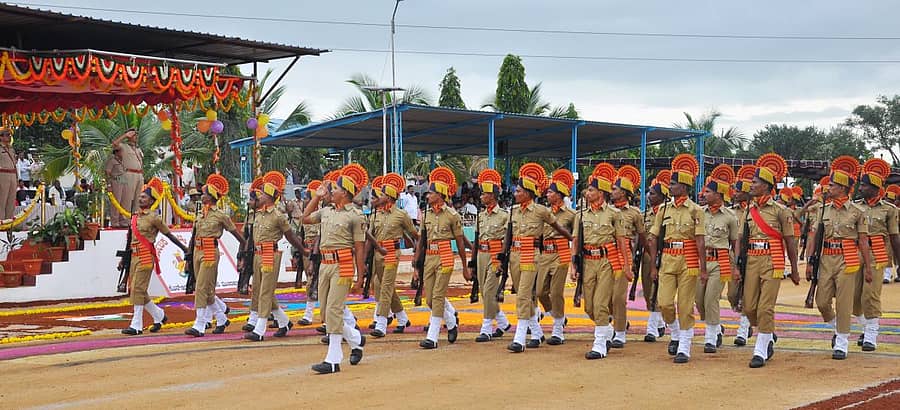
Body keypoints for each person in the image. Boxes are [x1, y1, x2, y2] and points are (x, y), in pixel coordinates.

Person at [302, 164, 368, 374]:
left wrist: (360, 277)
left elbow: (359, 248)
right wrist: (316, 197)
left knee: (333, 310)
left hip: (343, 265)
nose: (331, 192)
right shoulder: (326, 211)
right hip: (325, 265)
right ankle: (356, 339)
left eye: (335, 189)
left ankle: (333, 359)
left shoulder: (355, 215)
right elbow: (304, 218)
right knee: (325, 311)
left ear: (345, 193)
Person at [809, 156, 874, 360]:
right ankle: (838, 328)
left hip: (849, 259)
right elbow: (816, 238)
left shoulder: (857, 212)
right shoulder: (822, 210)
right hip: (826, 258)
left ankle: (842, 342)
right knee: (821, 302)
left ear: (844, 188)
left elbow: (863, 241)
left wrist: (869, 268)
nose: (829, 187)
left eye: (833, 185)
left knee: (844, 302)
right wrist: (811, 261)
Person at [646, 154, 707, 364]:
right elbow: (653, 237)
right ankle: (675, 332)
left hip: (688, 261)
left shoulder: (696, 210)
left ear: (683, 186)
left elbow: (700, 240)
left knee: (685, 305)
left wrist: (703, 268)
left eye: (672, 184)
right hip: (668, 260)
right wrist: (654, 263)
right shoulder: (663, 210)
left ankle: (684, 346)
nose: (669, 187)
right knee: (664, 303)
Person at [507, 163, 573, 353]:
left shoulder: (541, 211)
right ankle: (536, 332)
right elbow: (509, 236)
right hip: (516, 256)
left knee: (525, 295)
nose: (515, 193)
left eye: (518, 190)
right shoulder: (514, 211)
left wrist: (575, 245)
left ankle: (520, 338)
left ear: (528, 192)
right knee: (530, 294)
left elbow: (560, 229)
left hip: (534, 255)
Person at [572, 163, 629, 359]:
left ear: (601, 193)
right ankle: (606, 330)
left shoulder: (614, 214)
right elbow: (576, 240)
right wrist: (574, 265)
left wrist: (626, 266)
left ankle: (600, 345)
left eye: (591, 190)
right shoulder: (581, 214)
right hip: (588, 262)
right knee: (589, 307)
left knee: (600, 303)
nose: (587, 193)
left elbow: (621, 241)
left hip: (607, 261)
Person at [241, 171, 307, 342]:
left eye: (262, 193)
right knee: (261, 290)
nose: (259, 195)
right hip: (257, 254)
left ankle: (260, 329)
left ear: (269, 197)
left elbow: (290, 236)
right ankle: (284, 322)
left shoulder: (278, 216)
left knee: (265, 291)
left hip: (270, 254)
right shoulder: (258, 214)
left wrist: (302, 249)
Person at [120, 178, 189, 335]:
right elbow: (130, 239)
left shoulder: (154, 218)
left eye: (144, 197)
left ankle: (136, 324)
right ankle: (159, 315)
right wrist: (124, 259)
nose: (140, 198)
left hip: (145, 256)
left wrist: (184, 248)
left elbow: (169, 235)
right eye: (140, 196)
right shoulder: (134, 217)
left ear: (151, 201)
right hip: (134, 257)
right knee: (138, 290)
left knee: (138, 288)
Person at [414, 167, 471, 349]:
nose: (427, 196)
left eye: (430, 193)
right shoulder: (427, 214)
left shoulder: (452, 215)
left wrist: (464, 265)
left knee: (437, 296)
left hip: (445, 256)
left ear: (439, 195)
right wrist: (416, 263)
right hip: (430, 257)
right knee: (430, 299)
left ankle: (433, 337)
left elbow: (460, 242)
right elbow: (422, 239)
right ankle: (452, 321)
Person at [184, 174, 246, 337]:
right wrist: (189, 256)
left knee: (201, 288)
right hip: (197, 251)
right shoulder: (200, 213)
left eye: (204, 193)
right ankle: (221, 318)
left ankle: (200, 324)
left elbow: (237, 235)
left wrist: (244, 253)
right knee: (208, 289)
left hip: (210, 251)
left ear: (211, 197)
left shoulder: (220, 215)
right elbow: (194, 235)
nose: (200, 195)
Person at [853, 159, 900, 351]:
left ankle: (871, 335)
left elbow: (895, 237)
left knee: (870, 295)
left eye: (864, 185)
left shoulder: (890, 210)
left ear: (874, 188)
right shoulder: (854, 207)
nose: (860, 187)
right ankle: (866, 327)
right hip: (855, 253)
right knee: (854, 297)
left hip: (878, 253)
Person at [369, 173, 419, 337]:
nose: (379, 196)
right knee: (384, 286)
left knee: (385, 287)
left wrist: (416, 255)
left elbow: (414, 234)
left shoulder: (401, 214)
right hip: (378, 254)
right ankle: (403, 318)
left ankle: (381, 323)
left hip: (392, 253)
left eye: (382, 194)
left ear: (389, 197)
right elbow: (370, 236)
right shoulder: (375, 214)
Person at [697, 165, 739, 354]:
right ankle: (716, 327)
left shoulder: (730, 216)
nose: (704, 194)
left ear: (719, 194)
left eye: (708, 191)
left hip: (721, 260)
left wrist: (736, 266)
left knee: (711, 298)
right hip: (701, 261)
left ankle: (711, 338)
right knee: (699, 300)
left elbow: (735, 243)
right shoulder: (699, 213)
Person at [608, 165, 647, 349]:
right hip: (608, 255)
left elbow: (641, 235)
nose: (611, 191)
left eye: (615, 189)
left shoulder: (634, 213)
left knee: (618, 297)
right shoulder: (607, 211)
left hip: (625, 255)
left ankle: (620, 332)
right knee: (605, 296)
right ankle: (619, 321)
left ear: (624, 193)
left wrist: (639, 257)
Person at [536, 169, 576, 345]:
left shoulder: (571, 215)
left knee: (557, 292)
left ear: (559, 195)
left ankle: (558, 329)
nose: (547, 194)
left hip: (561, 254)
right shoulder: (544, 212)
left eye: (551, 192)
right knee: (540, 292)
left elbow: (575, 238)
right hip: (545, 254)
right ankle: (558, 316)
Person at [471, 169, 512, 342]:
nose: (481, 196)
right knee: (484, 291)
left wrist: (503, 259)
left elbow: (506, 240)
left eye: (484, 194)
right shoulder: (480, 216)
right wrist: (472, 262)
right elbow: (475, 239)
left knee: (489, 291)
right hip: (481, 254)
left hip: (495, 255)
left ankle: (486, 328)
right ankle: (503, 323)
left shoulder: (504, 216)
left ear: (493, 196)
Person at [642, 171, 670, 342]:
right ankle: (659, 322)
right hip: (646, 257)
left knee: (656, 292)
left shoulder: (667, 213)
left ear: (662, 196)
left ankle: (651, 328)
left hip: (664, 256)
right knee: (647, 292)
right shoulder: (645, 214)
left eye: (653, 193)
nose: (649, 196)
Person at [730, 165, 756, 346]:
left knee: (748, 294)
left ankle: (743, 329)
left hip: (754, 255)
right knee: (733, 294)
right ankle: (761, 327)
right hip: (734, 255)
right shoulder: (732, 211)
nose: (735, 193)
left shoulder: (755, 210)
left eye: (739, 191)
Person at [298, 181, 323, 326]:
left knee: (316, 283)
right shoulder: (305, 215)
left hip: (318, 251)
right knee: (311, 282)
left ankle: (309, 314)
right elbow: (300, 234)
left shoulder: (320, 214)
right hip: (307, 251)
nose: (305, 200)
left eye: (307, 197)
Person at [111, 128, 144, 225]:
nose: (135, 137)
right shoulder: (124, 146)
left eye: (135, 135)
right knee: (127, 198)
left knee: (138, 199)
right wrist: (125, 135)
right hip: (129, 173)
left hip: (139, 174)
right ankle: (124, 221)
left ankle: (136, 219)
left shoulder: (138, 149)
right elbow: (114, 144)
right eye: (133, 135)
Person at [104, 147, 128, 227]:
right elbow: (107, 172)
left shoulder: (122, 161)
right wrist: (109, 184)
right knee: (116, 202)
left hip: (123, 181)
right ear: (117, 152)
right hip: (116, 181)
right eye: (122, 151)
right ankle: (115, 222)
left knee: (123, 202)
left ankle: (123, 221)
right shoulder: (112, 161)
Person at [1, 127, 18, 222]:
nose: (8, 137)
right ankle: (1, 222)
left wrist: (17, 177)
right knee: (2, 200)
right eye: (6, 135)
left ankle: (9, 221)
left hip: (12, 174)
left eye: (9, 135)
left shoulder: (11, 149)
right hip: (3, 175)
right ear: (1, 137)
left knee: (11, 200)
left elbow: (14, 164)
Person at [885, 184, 900, 283]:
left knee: (897, 255)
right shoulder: (885, 208)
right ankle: (887, 274)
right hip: (887, 234)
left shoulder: (897, 210)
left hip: (898, 233)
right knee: (888, 253)